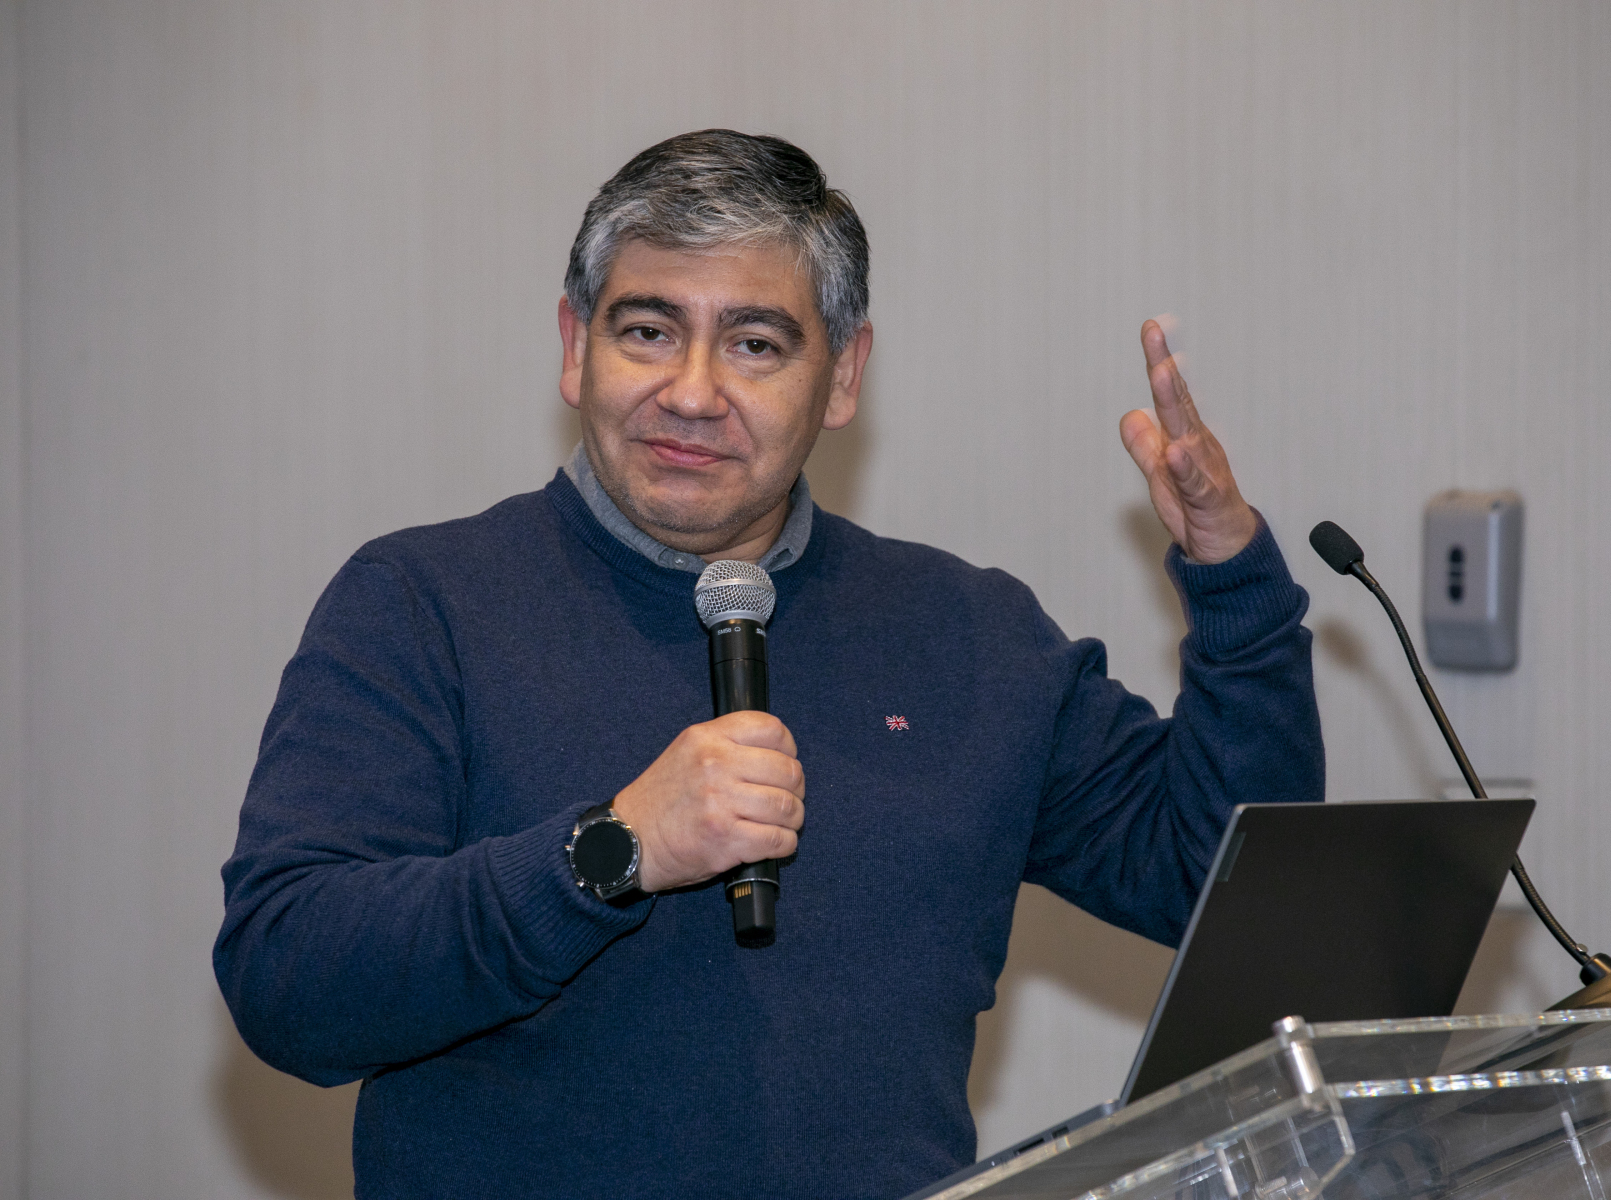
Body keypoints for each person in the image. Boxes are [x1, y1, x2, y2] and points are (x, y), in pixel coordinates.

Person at [214, 129, 1324, 1200]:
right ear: (574, 346)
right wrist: (615, 849)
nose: (693, 391)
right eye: (648, 330)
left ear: (842, 378)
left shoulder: (968, 633)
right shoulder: (422, 604)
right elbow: (289, 981)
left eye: (755, 344)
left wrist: (1232, 579)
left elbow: (1222, 883)